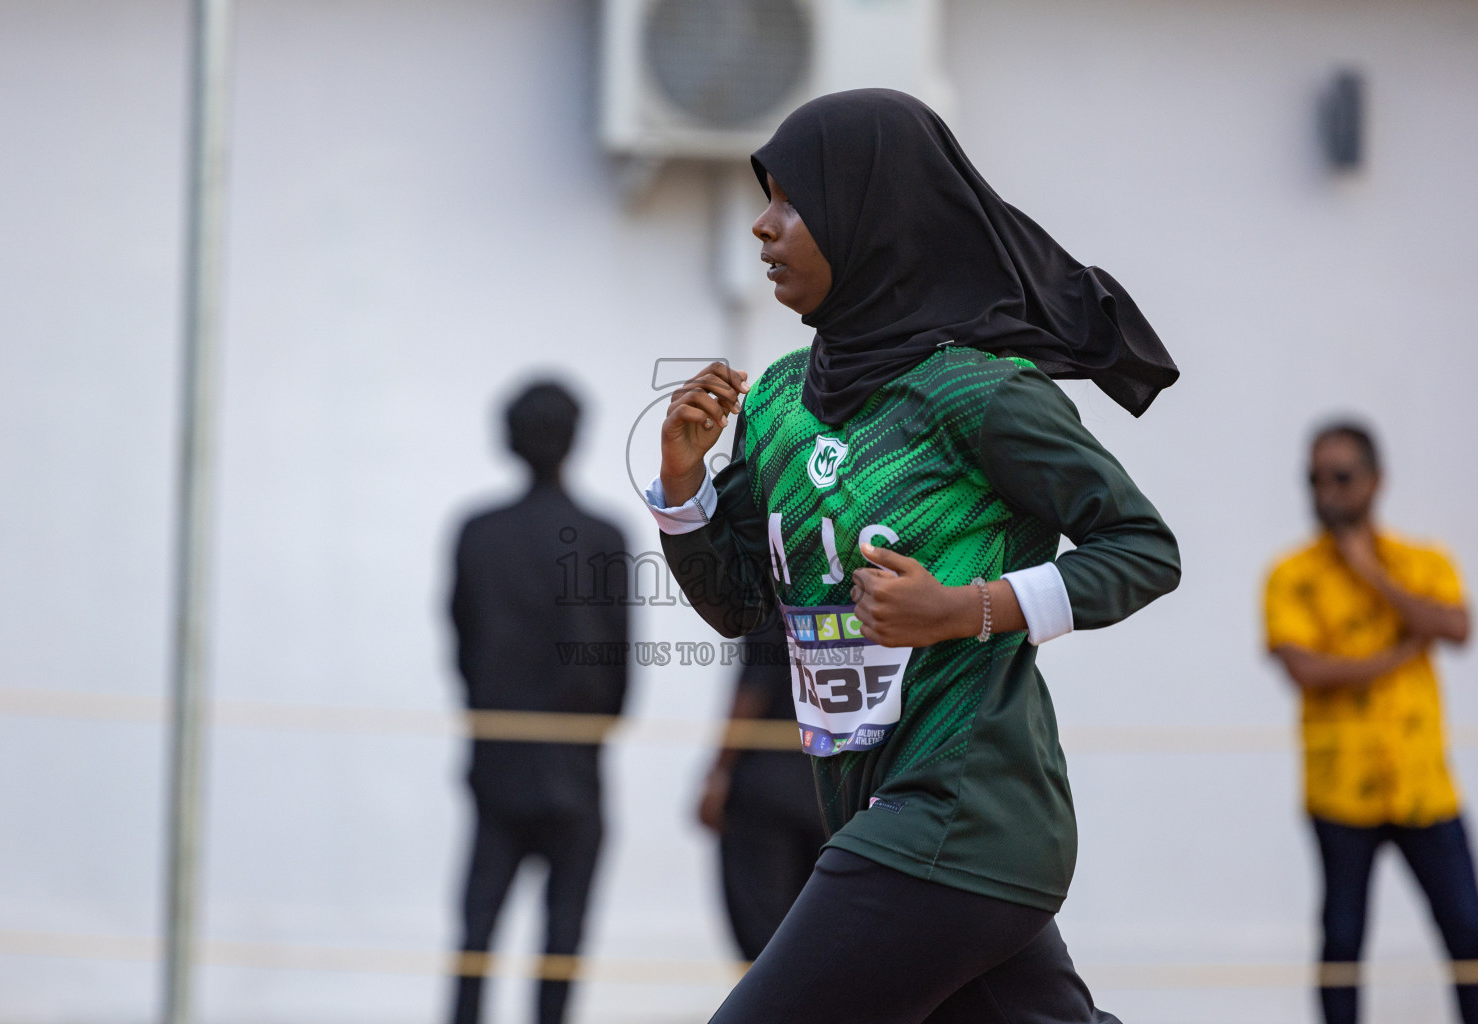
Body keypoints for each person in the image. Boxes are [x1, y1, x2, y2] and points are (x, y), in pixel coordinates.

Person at [645, 89, 1181, 1024]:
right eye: (765, 200)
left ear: (869, 216)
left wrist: (969, 608)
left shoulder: (977, 394)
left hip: (963, 810)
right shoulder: (774, 401)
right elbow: (739, 605)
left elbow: (1143, 548)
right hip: (883, 811)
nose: (763, 229)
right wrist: (683, 488)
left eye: (792, 203)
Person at [1265, 421, 1474, 1024]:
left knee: (1467, 932)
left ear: (1375, 481)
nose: (1325, 491)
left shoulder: (1419, 560)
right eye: (1313, 478)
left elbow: (1457, 627)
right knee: (1342, 942)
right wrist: (1402, 653)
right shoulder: (1291, 574)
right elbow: (1304, 668)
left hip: (1423, 787)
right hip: (1340, 790)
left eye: (1341, 477)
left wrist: (1372, 576)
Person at [447, 382, 629, 1024]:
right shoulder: (605, 536)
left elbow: (463, 647)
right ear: (575, 439)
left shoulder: (477, 534)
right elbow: (619, 669)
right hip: (575, 769)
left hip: (497, 764)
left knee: (476, 933)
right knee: (563, 940)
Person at [696, 615, 826, 961]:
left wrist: (719, 773)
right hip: (834, 789)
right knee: (817, 940)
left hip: (768, 788)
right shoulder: (862, 585)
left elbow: (755, 684)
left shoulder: (778, 590)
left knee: (763, 944)